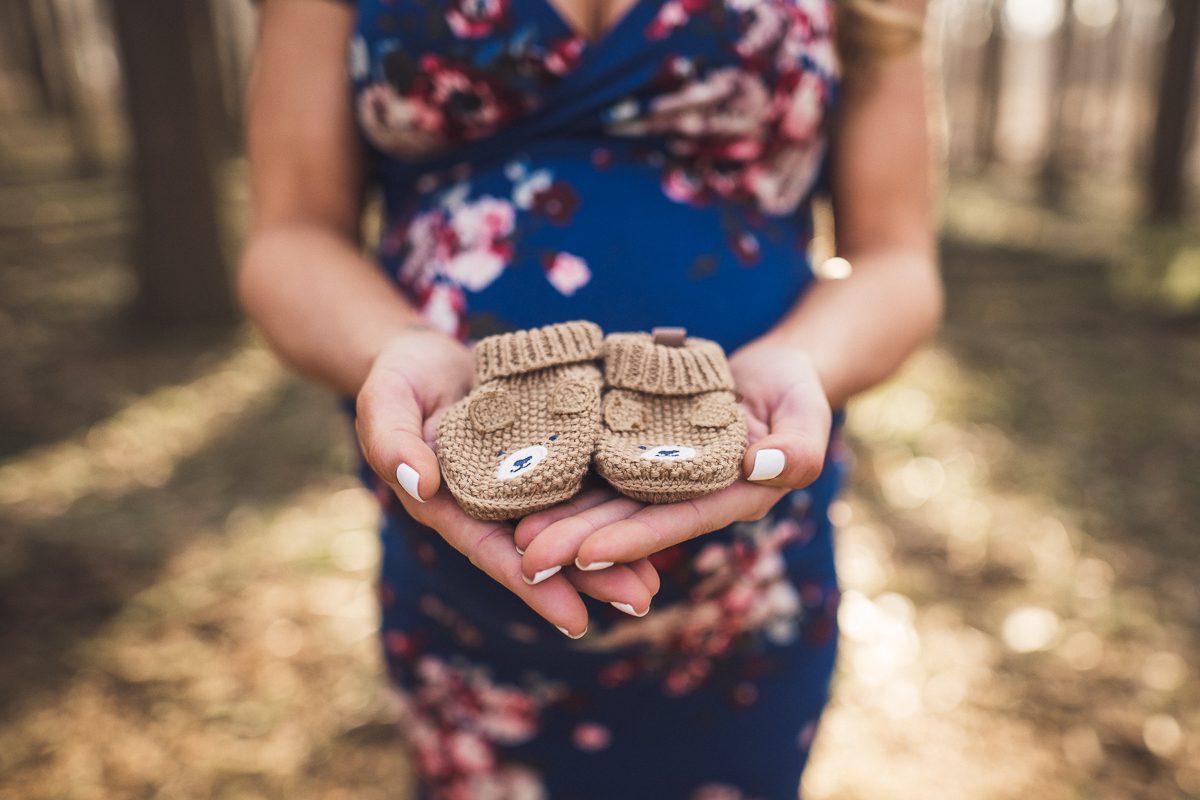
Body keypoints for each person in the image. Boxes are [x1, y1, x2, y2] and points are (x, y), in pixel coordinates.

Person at [238, 0, 940, 796]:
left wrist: (797, 361)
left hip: (750, 584)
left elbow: (895, 258)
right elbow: (291, 233)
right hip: (463, 584)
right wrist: (395, 348)